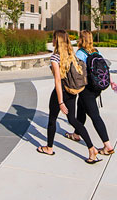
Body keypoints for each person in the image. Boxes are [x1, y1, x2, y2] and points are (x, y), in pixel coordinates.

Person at [37, 30, 101, 164]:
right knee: (72, 119)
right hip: (72, 92)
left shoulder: (55, 57)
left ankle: (49, 148)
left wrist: (60, 101)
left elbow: (58, 81)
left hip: (61, 93)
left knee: (52, 119)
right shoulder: (72, 54)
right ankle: (91, 148)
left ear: (56, 40)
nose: (52, 40)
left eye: (53, 38)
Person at [64, 30, 115, 156]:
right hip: (97, 88)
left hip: (87, 89)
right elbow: (105, 69)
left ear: (81, 39)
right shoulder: (97, 51)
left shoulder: (80, 53)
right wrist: (111, 82)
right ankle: (76, 134)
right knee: (81, 109)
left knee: (94, 116)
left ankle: (107, 145)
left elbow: (77, 72)